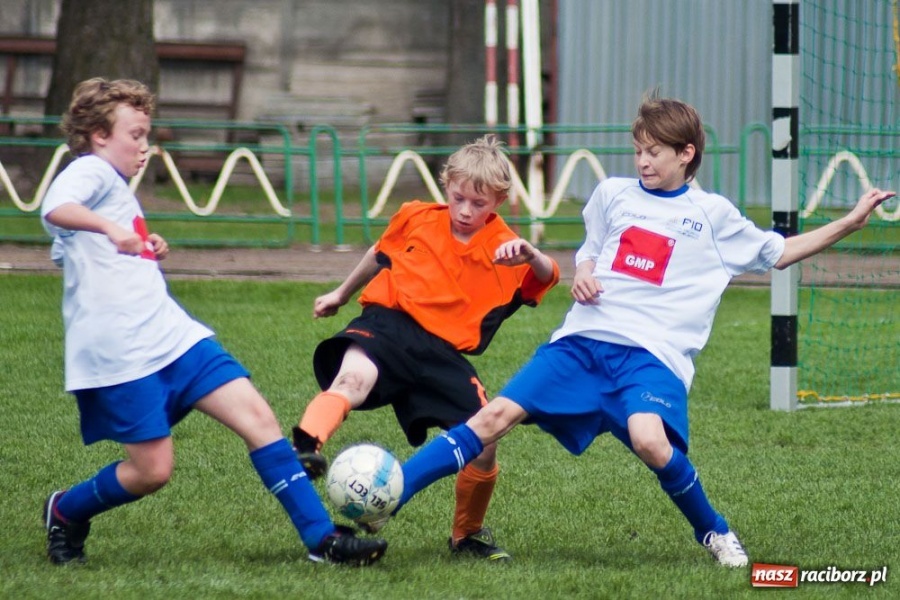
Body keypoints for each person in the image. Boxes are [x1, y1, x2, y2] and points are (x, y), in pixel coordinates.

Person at [388, 93, 896, 568]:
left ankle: (715, 532)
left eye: (654, 152)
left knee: (650, 441)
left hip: (653, 357)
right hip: (582, 344)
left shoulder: (713, 214)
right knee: (493, 416)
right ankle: (388, 492)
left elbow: (779, 252)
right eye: (639, 151)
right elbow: (591, 249)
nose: (643, 161)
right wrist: (583, 271)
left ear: (686, 153)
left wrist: (850, 222)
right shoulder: (613, 195)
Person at [39, 77, 387, 567]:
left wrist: (142, 243)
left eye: (146, 134)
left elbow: (81, 247)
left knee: (259, 419)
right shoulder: (90, 170)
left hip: (174, 336)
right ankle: (66, 510)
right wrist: (111, 229)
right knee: (152, 471)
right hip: (122, 354)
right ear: (98, 134)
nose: (144, 146)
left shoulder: (111, 187)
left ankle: (323, 540)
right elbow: (53, 206)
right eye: (134, 134)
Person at [291, 135, 559, 561]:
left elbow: (547, 276)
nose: (467, 210)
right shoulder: (415, 217)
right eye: (459, 198)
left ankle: (466, 536)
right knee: (354, 378)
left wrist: (531, 255)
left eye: (479, 202)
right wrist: (340, 294)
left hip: (442, 353)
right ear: (446, 185)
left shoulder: (505, 245)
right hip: (387, 326)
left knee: (486, 439)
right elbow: (379, 252)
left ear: (499, 200)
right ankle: (306, 446)